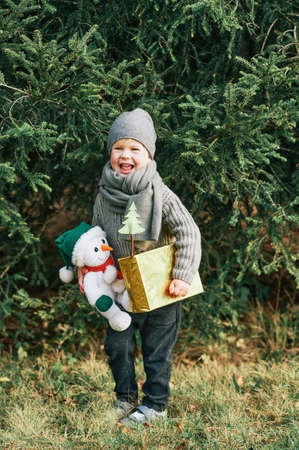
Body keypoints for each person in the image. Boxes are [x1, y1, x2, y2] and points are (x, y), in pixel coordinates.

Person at [92, 108, 201, 425]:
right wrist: (91, 268)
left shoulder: (161, 193)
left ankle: (155, 404)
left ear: (148, 155)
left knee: (156, 351)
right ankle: (125, 398)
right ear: (111, 152)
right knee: (118, 347)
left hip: (160, 288)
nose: (125, 155)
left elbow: (188, 232)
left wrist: (182, 275)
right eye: (118, 148)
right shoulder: (104, 195)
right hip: (121, 288)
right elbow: (98, 234)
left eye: (134, 149)